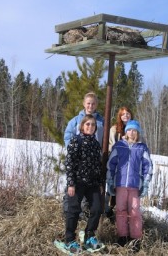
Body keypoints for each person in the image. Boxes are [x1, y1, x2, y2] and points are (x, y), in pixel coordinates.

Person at [106, 120, 153, 247]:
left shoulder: (142, 147)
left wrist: (146, 183)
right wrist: (110, 181)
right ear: (126, 132)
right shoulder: (119, 146)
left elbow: (148, 166)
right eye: (129, 130)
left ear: (137, 133)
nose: (131, 133)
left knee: (134, 211)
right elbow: (111, 164)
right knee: (120, 210)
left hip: (135, 185)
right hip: (120, 184)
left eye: (134, 130)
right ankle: (123, 236)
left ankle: (135, 238)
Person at [63, 114, 105, 254]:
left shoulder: (95, 144)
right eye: (87, 124)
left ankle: (89, 235)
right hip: (78, 182)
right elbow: (69, 163)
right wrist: (71, 183)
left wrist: (99, 182)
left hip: (92, 183)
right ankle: (69, 239)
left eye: (93, 125)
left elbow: (98, 166)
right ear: (82, 126)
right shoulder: (76, 140)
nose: (90, 127)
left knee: (97, 208)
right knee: (73, 210)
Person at [105, 106, 133, 220]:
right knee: (112, 188)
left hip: (130, 165)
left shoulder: (135, 128)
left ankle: (123, 213)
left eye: (127, 113)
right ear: (120, 116)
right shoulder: (114, 129)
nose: (125, 115)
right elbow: (110, 145)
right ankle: (108, 210)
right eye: (123, 114)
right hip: (117, 164)